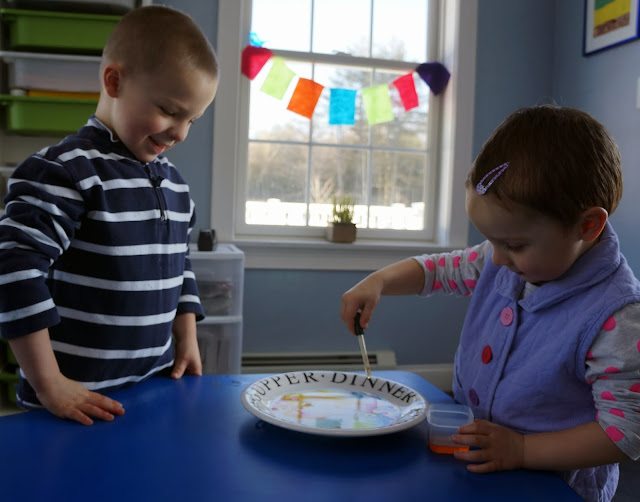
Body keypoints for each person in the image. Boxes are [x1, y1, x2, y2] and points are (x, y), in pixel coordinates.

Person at [340, 105, 640, 502]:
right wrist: (380, 281)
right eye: (492, 241)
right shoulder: (506, 259)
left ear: (587, 225)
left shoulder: (618, 315)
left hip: (553, 487)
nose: (496, 258)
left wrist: (523, 450)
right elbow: (440, 270)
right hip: (479, 465)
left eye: (514, 245)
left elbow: (625, 433)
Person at [0, 6, 218, 425]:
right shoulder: (64, 171)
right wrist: (49, 383)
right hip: (72, 403)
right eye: (169, 110)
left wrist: (187, 338)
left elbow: (180, 265)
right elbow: (14, 271)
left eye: (192, 119)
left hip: (151, 390)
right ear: (114, 82)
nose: (180, 133)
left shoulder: (176, 185)